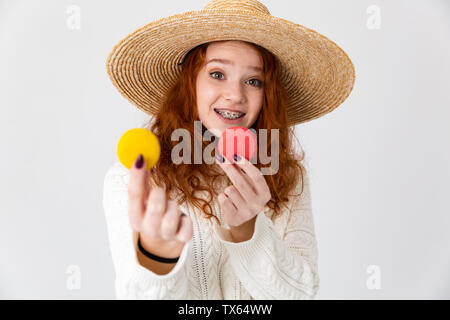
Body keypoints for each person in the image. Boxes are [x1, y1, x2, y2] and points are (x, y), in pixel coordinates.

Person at [103, 0, 355, 300]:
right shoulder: (134, 179)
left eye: (253, 81)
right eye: (218, 74)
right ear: (190, 82)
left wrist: (249, 231)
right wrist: (157, 256)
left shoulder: (287, 176)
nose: (236, 95)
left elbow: (300, 294)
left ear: (267, 95)